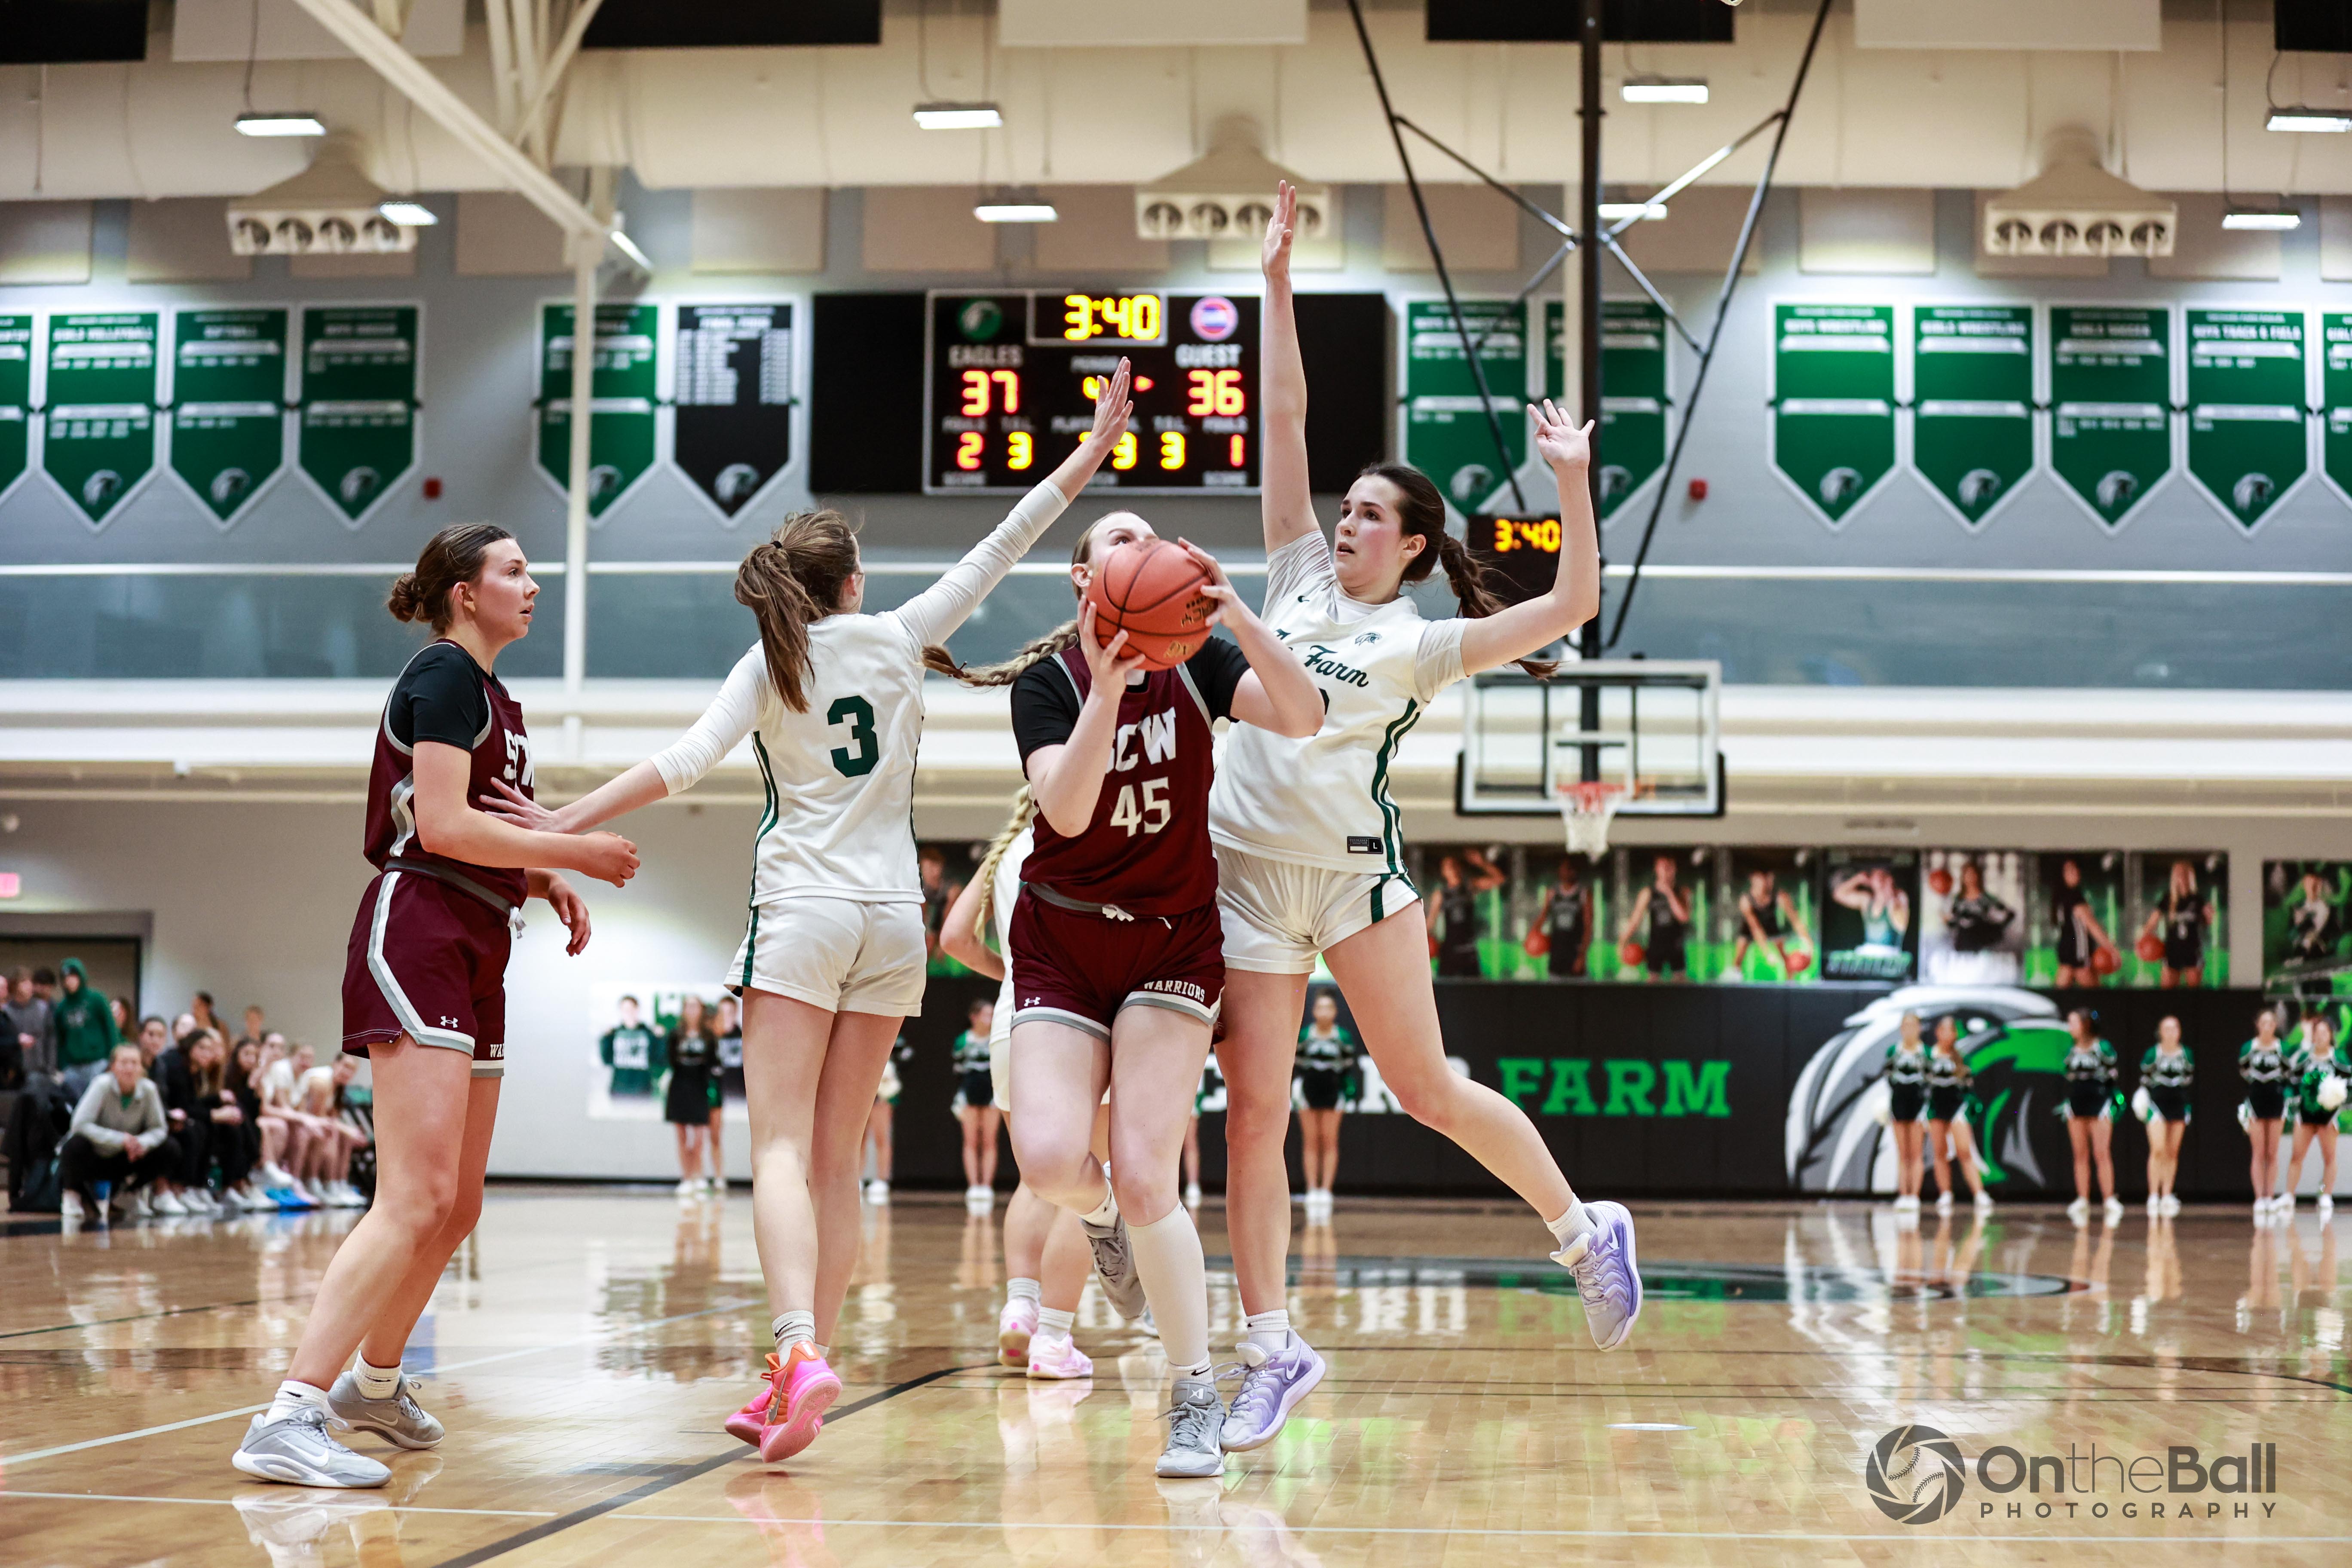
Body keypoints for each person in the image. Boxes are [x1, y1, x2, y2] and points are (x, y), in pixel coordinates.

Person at [488, 362, 1136, 1465]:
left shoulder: (771, 661)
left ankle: (794, 1348)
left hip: (802, 913)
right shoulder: (900, 633)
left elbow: (679, 763)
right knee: (837, 1160)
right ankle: (807, 1364)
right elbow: (1009, 538)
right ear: (852, 582)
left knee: (782, 1149)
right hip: (892, 921)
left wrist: (559, 822)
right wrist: (1090, 448)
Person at [1208, 184, 1638, 1462]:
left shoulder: (1423, 641)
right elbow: (1282, 417)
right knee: (1251, 1117)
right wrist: (1275, 285)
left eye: (1368, 517)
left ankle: (1582, 1229)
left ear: (1409, 547)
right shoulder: (1291, 574)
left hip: (1348, 881)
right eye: (1342, 509)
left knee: (1426, 1089)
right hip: (1243, 878)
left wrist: (1571, 484)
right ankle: (1271, 1349)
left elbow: (1569, 606)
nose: (1343, 523)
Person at [230, 521, 628, 1490]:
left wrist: (540, 878)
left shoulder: (493, 694)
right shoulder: (444, 674)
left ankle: (373, 1383)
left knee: (457, 1202)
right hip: (420, 929)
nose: (533, 584)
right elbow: (442, 827)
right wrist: (573, 851)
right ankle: (287, 1415)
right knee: (411, 1196)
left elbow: (474, 828)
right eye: (514, 570)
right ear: (464, 591)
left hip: (480, 933)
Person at [942, 486, 1320, 1478]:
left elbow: (1304, 713)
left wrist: (1237, 615)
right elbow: (1064, 813)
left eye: (1154, 542)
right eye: (1123, 541)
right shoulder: (1047, 684)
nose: (1144, 549)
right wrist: (1107, 688)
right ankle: (1105, 1219)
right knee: (1050, 1161)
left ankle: (1193, 1397)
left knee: (1150, 1169)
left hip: (1168, 944)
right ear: (1086, 579)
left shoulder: (1200, 659)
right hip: (1062, 940)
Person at [938, 790, 1105, 1381]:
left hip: (1013, 1022)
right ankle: (1054, 1338)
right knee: (1091, 1184)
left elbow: (954, 939)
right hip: (1081, 1020)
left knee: (1035, 1182)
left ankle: (1021, 1309)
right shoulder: (1099, 831)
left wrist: (1010, 973)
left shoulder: (1006, 849)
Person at [58, 1043, 176, 1225]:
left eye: (134, 1063)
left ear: (142, 1068)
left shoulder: (149, 1089)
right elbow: (79, 1124)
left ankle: (128, 1194)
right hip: (97, 1154)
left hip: (128, 1156)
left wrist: (142, 1143)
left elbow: (159, 1129)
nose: (129, 1068)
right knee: (75, 1145)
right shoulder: (101, 1084)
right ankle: (72, 1195)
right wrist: (121, 1140)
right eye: (124, 1063)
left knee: (170, 1148)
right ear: (113, 1066)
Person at [1295, 990, 1357, 1218]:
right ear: (1313, 1011)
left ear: (1335, 1012)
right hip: (1308, 1092)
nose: (1324, 1012)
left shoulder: (1343, 1038)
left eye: (1328, 1007)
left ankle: (1326, 1190)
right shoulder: (1305, 1036)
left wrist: (1346, 1092)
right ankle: (1312, 1189)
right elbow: (1297, 1064)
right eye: (1319, 1007)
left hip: (1333, 1093)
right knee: (1311, 1140)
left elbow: (1348, 1066)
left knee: (1329, 1140)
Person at [2061, 1009, 2123, 1227]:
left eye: (2073, 1023)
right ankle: (2082, 1199)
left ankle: (2109, 1199)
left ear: (2086, 1024)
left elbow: (2112, 1075)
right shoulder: (2070, 1050)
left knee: (2101, 1152)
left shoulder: (2102, 1048)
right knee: (2080, 1154)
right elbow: (2067, 1074)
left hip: (2100, 1103)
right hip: (2076, 1103)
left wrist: (2110, 1098)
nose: (2070, 1027)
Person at [1924, 1015, 1989, 1214]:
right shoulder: (1929, 1057)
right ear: (1937, 1033)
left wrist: (1969, 1108)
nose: (1947, 1035)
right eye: (1943, 1030)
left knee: (1964, 1151)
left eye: (1951, 1031)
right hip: (1936, 1108)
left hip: (1957, 1108)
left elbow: (1969, 1087)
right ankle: (1945, 1193)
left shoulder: (1961, 1058)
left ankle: (1979, 1193)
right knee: (1940, 1153)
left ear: (1955, 1035)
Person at [2282, 1016, 2346, 1217]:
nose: (2320, 1037)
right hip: (2305, 1115)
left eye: (2324, 1033)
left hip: (2329, 1118)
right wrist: (2294, 1102)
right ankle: (2289, 1196)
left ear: (2331, 1036)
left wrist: (2337, 1100)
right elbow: (2292, 1082)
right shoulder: (2304, 1058)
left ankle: (2326, 1195)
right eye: (2317, 1033)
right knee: (2297, 1156)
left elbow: (2348, 1085)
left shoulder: (2339, 1059)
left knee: (2329, 1158)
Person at [665, 995, 721, 1197]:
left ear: (702, 1009)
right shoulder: (676, 1034)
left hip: (700, 1088)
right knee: (682, 1137)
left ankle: (698, 1177)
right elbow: (671, 1060)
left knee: (698, 1139)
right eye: (688, 1006)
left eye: (695, 1006)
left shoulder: (708, 1036)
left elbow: (713, 1063)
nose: (692, 1010)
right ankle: (686, 1178)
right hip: (680, 1087)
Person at [2140, 1016, 2193, 1217]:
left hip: (2179, 1105)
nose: (2171, 1032)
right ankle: (2153, 1195)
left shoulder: (2187, 1054)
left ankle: (2167, 1194)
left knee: (2172, 1152)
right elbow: (2145, 1079)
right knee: (2158, 1149)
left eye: (2175, 1028)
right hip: (2157, 1105)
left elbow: (2188, 1078)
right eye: (2167, 1029)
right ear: (2160, 1032)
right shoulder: (2152, 1054)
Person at [2241, 1008, 2290, 1222]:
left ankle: (2270, 1196)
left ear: (2275, 1026)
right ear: (2258, 1025)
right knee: (2259, 1152)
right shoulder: (2248, 1048)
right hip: (2256, 1102)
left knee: (2273, 1152)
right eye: (2264, 1023)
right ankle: (2259, 1198)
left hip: (2277, 1102)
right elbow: (2244, 1072)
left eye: (2271, 1024)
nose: (2268, 1027)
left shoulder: (2282, 1048)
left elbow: (2288, 1074)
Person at [953, 997, 1001, 1207]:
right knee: (971, 1141)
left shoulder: (996, 1039)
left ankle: (987, 1186)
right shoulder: (963, 1041)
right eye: (986, 1014)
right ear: (974, 1017)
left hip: (992, 1096)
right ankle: (973, 1186)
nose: (990, 1018)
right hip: (969, 1095)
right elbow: (958, 1070)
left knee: (990, 1141)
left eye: (992, 1015)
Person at [1426, 849, 1504, 978]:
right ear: (1443, 872)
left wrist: (1482, 863)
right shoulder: (1440, 894)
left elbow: (1499, 879)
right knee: (1445, 987)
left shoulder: (1470, 886)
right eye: (1448, 866)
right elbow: (1430, 922)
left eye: (1454, 865)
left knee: (1473, 987)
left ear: (1460, 868)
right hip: (1449, 950)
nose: (1452, 869)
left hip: (1468, 948)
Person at [1619, 854, 1693, 982]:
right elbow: (1635, 920)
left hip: (1676, 944)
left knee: (1680, 980)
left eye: (1669, 867)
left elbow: (1684, 917)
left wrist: (1669, 893)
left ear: (1675, 869)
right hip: (1656, 944)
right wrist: (1623, 941)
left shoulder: (1683, 891)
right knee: (1653, 980)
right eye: (1663, 867)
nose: (1666, 871)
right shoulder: (1648, 893)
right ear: (1657, 869)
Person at [1882, 1011, 1929, 1213]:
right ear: (1902, 1029)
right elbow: (1889, 1078)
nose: (1910, 1030)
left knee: (1916, 1152)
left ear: (1919, 1029)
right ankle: (1903, 1194)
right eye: (1906, 1026)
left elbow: (1930, 1080)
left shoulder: (1926, 1052)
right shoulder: (1894, 1051)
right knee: (1903, 1153)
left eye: (1913, 1026)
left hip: (1918, 1106)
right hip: (1899, 1105)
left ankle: (1914, 1196)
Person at [2141, 858, 2212, 989]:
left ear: (2191, 876)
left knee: (2195, 994)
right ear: (2174, 877)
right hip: (2172, 951)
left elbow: (2206, 923)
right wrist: (2141, 941)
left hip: (2193, 951)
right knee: (2168, 992)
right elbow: (2151, 923)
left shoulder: (2198, 899)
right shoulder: (2167, 899)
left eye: (2185, 873)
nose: (2182, 877)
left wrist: (2209, 916)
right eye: (2179, 874)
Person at [2049, 857, 2118, 987]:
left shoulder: (2060, 897)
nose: (2075, 872)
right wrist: (2112, 949)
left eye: (2076, 869)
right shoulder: (2074, 897)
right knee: (2091, 991)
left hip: (2066, 948)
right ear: (2062, 875)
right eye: (2070, 870)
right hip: (2078, 951)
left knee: (2063, 986)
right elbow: (2092, 926)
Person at [1732, 867, 1810, 980]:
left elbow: (1795, 920)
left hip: (1771, 925)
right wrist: (1767, 952)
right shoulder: (1746, 900)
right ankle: (1735, 974)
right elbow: (1755, 928)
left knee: (1785, 956)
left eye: (1770, 877)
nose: (1767, 881)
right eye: (1763, 877)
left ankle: (1790, 982)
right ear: (1753, 879)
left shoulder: (1780, 896)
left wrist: (1807, 941)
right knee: (1741, 948)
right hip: (1750, 928)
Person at [52, 957, 120, 1086]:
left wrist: (113, 1060)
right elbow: (60, 1041)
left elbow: (111, 1030)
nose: (70, 981)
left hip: (99, 1063)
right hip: (73, 1067)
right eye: (66, 978)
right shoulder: (61, 1008)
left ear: (81, 977)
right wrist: (63, 1066)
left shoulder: (97, 999)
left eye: (73, 976)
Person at [862, 1035, 912, 1202]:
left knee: (881, 1137)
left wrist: (892, 1072)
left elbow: (908, 1057)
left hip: (883, 1094)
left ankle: (882, 1179)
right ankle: (857, 1178)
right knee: (859, 1139)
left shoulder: (895, 1039)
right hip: (861, 1089)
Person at [1532, 858, 1593, 979]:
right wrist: (1533, 934)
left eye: (1570, 870)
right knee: (1555, 984)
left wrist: (1582, 955)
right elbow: (1543, 915)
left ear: (1575, 872)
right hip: (1557, 950)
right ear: (1559, 872)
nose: (1567, 873)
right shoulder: (1552, 892)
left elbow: (1588, 925)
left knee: (1577, 984)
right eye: (1564, 870)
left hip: (1575, 950)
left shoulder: (1583, 893)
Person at [600, 995, 663, 1099]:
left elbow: (659, 1059)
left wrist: (660, 1039)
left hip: (643, 1090)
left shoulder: (649, 1033)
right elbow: (606, 1060)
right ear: (620, 1011)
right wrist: (606, 1039)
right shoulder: (614, 1034)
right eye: (625, 1009)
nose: (628, 1013)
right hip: (619, 1090)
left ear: (637, 1009)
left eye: (631, 1009)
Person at [716, 994, 745, 1102]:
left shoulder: (744, 1036)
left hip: (741, 1093)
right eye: (723, 1013)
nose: (726, 1017)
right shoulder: (713, 1037)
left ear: (736, 1012)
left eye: (730, 1013)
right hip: (720, 1094)